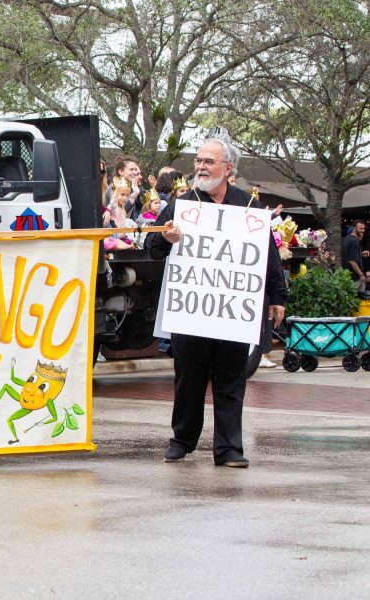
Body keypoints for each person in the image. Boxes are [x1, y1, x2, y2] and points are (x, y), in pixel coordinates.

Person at [145, 136, 287, 468]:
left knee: (231, 379)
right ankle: (182, 440)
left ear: (228, 168)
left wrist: (277, 297)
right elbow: (151, 247)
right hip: (191, 309)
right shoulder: (182, 204)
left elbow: (267, 254)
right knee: (188, 377)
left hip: (233, 312)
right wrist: (165, 238)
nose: (201, 167)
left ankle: (228, 449)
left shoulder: (247, 206)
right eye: (198, 160)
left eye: (209, 161)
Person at [341, 220, 367, 294]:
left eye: (363, 228)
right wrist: (361, 274)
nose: (363, 231)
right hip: (355, 279)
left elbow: (348, 255)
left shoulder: (346, 239)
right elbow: (352, 261)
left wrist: (360, 254)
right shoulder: (354, 241)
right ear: (354, 228)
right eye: (360, 228)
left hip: (347, 277)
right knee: (359, 302)